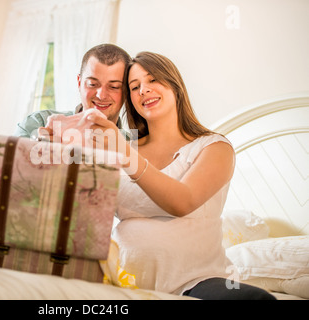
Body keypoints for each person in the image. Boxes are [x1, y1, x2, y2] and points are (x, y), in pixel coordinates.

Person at [88, 51, 276, 300]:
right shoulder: (122, 148)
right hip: (122, 284)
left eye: (153, 80)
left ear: (175, 85)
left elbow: (182, 202)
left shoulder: (214, 147)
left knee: (256, 300)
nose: (144, 90)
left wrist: (124, 154)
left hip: (196, 284)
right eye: (134, 87)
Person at [14, 43, 131, 140]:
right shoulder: (38, 123)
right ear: (79, 83)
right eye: (92, 84)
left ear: (127, 91)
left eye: (114, 87)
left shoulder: (133, 146)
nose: (101, 95)